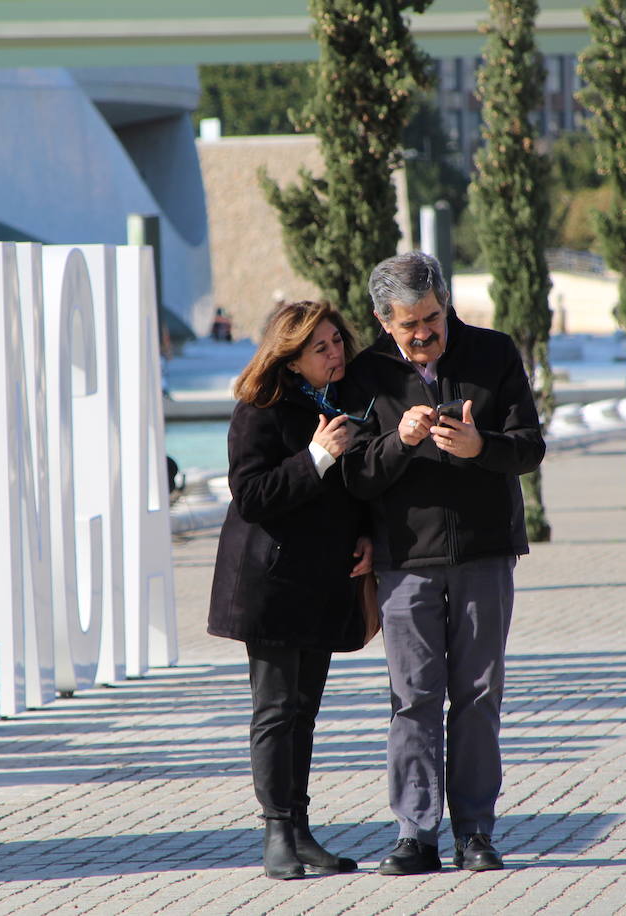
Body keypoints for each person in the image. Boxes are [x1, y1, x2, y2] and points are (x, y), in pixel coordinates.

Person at [338, 251, 545, 876]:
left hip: (484, 552)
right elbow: (354, 473)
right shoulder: (365, 375)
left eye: (433, 316)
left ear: (446, 303)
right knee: (412, 698)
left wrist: (483, 446)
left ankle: (476, 832)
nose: (425, 333)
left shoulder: (494, 352)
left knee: (478, 695)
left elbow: (530, 446)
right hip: (404, 561)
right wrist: (397, 443)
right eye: (409, 325)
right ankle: (416, 834)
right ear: (382, 320)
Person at [207, 300, 374, 880]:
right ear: (291, 355)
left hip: (324, 581)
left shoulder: (346, 404)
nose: (335, 353)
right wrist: (316, 457)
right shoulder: (261, 408)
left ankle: (301, 831)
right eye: (320, 346)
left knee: (304, 711)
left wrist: (367, 536)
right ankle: (277, 832)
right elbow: (251, 496)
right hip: (272, 584)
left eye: (337, 341)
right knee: (275, 711)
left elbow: (356, 490)